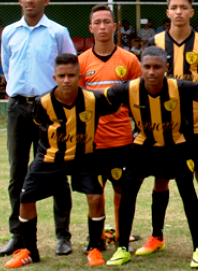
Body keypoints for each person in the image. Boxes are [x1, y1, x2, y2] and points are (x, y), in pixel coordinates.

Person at [3, 54, 121, 269]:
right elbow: (39, 124)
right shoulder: (43, 102)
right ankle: (30, 251)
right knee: (26, 199)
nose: (66, 80)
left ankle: (94, 246)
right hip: (50, 157)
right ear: (54, 77)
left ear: (79, 76)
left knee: (96, 197)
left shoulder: (94, 99)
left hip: (83, 157)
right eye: (62, 76)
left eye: (71, 75)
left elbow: (116, 100)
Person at [103, 47, 198, 268]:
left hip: (176, 145)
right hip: (144, 146)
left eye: (157, 67)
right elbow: (97, 100)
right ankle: (123, 248)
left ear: (166, 68)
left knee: (187, 188)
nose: (152, 71)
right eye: (147, 67)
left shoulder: (180, 86)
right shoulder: (128, 89)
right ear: (141, 68)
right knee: (128, 191)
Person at [1, 0, 75, 257]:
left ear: (46, 1)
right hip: (18, 108)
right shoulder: (9, 33)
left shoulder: (58, 32)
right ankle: (17, 236)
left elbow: (69, 68)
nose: (29, 0)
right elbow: (8, 66)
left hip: (51, 109)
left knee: (56, 173)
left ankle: (63, 237)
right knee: (17, 173)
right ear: (19, 1)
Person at [146, 0, 198, 256]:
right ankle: (156, 236)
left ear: (191, 12)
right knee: (161, 178)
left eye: (183, 7)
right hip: (164, 125)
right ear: (168, 12)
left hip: (196, 124)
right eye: (174, 8)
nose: (178, 12)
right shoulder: (154, 43)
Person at [78, 4, 142, 252]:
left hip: (122, 139)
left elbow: (137, 100)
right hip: (93, 141)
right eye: (98, 22)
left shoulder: (129, 60)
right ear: (91, 28)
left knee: (122, 189)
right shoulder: (81, 62)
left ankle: (119, 233)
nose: (103, 26)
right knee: (95, 192)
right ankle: (99, 235)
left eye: (107, 22)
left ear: (115, 27)